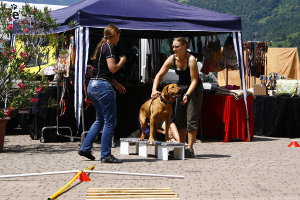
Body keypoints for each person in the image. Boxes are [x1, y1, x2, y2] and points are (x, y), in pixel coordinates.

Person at [78, 24, 127, 163]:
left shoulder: (101, 47)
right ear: (114, 35)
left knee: (100, 120)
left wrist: (117, 84)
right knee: (110, 122)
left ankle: (85, 148)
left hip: (93, 86)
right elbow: (112, 69)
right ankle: (105, 155)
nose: (119, 38)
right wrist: (122, 61)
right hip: (103, 87)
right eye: (119, 35)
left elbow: (102, 72)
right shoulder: (110, 47)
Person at [151, 37, 203, 158]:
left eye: (177, 47)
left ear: (185, 46)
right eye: (173, 46)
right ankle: (180, 147)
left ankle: (190, 148)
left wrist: (187, 94)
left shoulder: (191, 59)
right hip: (181, 89)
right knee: (179, 119)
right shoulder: (172, 58)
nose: (174, 49)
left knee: (191, 119)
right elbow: (159, 75)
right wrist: (154, 89)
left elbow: (194, 80)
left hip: (194, 89)